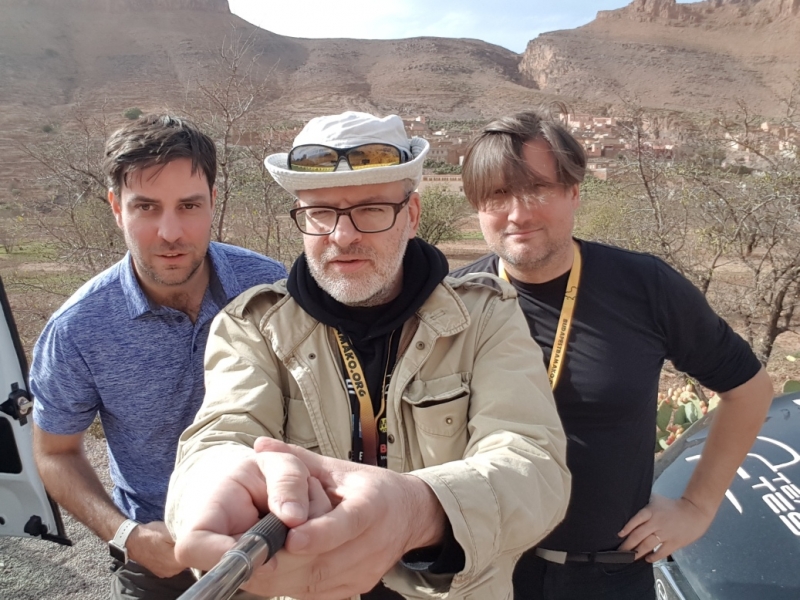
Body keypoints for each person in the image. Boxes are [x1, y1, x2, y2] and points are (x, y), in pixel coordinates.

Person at [164, 111, 571, 600]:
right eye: (321, 212)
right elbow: (221, 436)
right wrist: (215, 486)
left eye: (372, 209)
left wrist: (419, 510)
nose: (342, 235)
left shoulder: (484, 317)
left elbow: (533, 463)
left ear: (412, 215)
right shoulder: (253, 327)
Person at [451, 110, 774, 599]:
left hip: (608, 577)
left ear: (574, 192)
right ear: (477, 206)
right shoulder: (453, 303)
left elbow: (749, 390)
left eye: (538, 189)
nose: (518, 214)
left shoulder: (643, 286)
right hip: (482, 575)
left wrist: (696, 508)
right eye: (497, 194)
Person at [29, 114, 288, 600]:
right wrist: (128, 536)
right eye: (146, 207)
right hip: (156, 557)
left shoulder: (270, 287)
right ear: (116, 208)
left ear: (213, 202)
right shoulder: (78, 328)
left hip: (267, 541)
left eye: (189, 205)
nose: (170, 232)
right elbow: (54, 452)